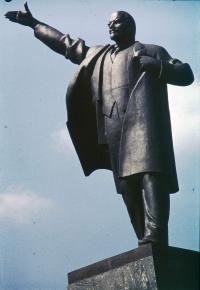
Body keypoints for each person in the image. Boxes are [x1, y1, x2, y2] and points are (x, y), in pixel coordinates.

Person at [5, 3, 194, 246]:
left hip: (144, 125)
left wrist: (157, 66)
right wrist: (34, 24)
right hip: (113, 127)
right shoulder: (98, 55)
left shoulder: (152, 50)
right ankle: (143, 239)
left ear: (131, 26)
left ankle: (156, 235)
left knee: (150, 176)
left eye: (117, 22)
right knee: (127, 186)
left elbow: (186, 73)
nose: (111, 26)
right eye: (109, 24)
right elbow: (66, 44)